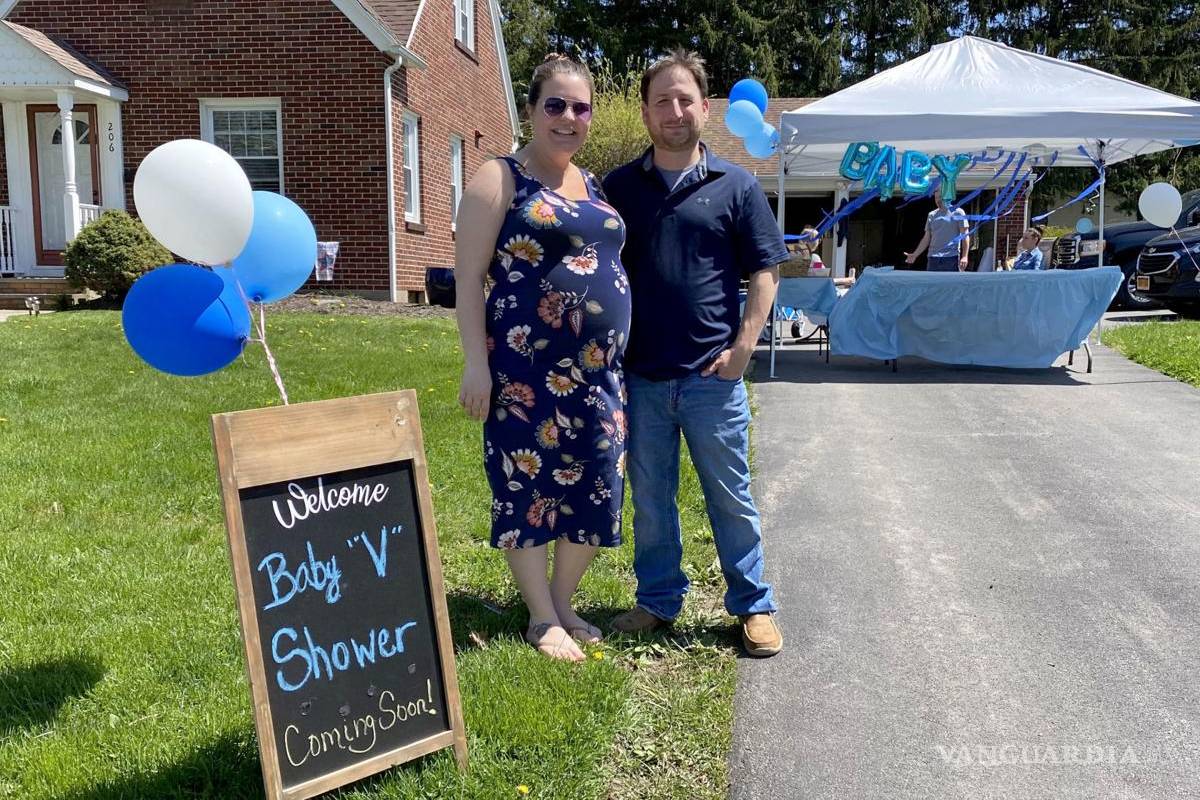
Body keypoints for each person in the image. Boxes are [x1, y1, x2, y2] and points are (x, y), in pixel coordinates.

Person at [602, 49, 786, 657]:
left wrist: (743, 349)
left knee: (730, 497)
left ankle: (753, 605)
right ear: (646, 112)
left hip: (713, 379)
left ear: (705, 109)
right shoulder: (620, 188)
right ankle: (658, 602)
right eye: (662, 101)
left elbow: (766, 272)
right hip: (643, 380)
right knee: (652, 503)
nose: (674, 111)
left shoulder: (737, 185)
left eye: (685, 100)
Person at [454, 54, 631, 662]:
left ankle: (561, 600)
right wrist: (476, 363)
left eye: (580, 107)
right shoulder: (498, 178)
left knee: (599, 482)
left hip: (598, 377)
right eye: (554, 104)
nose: (568, 117)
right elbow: (469, 278)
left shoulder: (593, 182)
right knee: (526, 482)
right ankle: (537, 616)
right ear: (530, 111)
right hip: (525, 371)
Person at [905, 193, 970, 271]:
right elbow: (926, 238)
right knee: (932, 283)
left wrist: (964, 256)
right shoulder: (931, 215)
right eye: (936, 198)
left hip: (951, 258)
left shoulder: (958, 212)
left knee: (949, 283)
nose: (938, 200)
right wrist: (915, 254)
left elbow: (965, 236)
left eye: (940, 197)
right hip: (932, 258)